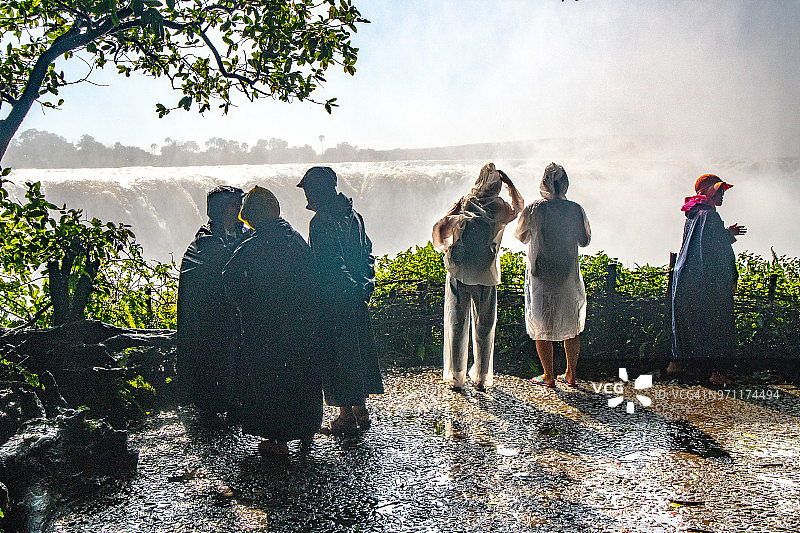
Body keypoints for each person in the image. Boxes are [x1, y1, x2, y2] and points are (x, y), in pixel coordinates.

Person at [222, 186, 323, 455]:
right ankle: (306, 429)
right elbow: (314, 280)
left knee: (270, 379)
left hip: (264, 326)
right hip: (301, 324)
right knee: (302, 375)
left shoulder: (252, 246)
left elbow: (229, 278)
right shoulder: (296, 239)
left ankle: (277, 439)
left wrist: (244, 304)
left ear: (252, 217)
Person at [297, 167, 383, 435]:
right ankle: (361, 411)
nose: (306, 197)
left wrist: (345, 291)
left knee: (339, 358)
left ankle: (346, 417)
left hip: (335, 303)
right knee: (357, 355)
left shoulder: (321, 222)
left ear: (321, 190)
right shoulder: (354, 215)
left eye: (309, 190)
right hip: (357, 299)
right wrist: (364, 285)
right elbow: (367, 253)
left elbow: (330, 266)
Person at [432, 163, 524, 392]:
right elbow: (518, 207)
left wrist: (449, 244)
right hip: (485, 271)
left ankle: (456, 376)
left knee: (456, 324)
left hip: (460, 270)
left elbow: (443, 225)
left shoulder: (465, 202)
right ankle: (482, 377)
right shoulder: (498, 206)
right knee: (484, 327)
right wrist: (510, 184)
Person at [514, 163, 590, 388]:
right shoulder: (576, 209)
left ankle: (548, 375)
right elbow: (584, 240)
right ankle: (571, 374)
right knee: (571, 324)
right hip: (567, 273)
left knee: (542, 323)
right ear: (565, 183)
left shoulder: (534, 209)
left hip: (541, 274)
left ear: (544, 183)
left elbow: (521, 236)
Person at [176, 185, 249, 420]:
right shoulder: (204, 243)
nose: (239, 208)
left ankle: (236, 399)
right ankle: (209, 404)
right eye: (233, 204)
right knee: (213, 356)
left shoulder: (243, 233)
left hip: (232, 311)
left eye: (240, 203)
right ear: (218, 210)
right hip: (209, 316)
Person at [669, 174, 746, 387]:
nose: (722, 195)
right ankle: (716, 373)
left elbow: (703, 243)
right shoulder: (708, 215)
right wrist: (727, 236)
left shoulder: (693, 213)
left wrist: (725, 234)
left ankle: (678, 364)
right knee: (716, 322)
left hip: (685, 276)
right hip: (704, 279)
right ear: (710, 191)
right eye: (720, 190)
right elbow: (716, 250)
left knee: (688, 320)